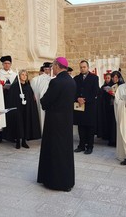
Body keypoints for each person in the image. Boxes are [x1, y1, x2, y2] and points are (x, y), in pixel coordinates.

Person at [37, 57, 76, 192]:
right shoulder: (71, 81)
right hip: (66, 121)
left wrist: (41, 100)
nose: (52, 68)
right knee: (65, 151)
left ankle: (54, 181)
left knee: (54, 150)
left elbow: (46, 101)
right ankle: (67, 181)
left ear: (58, 66)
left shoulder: (56, 82)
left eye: (53, 65)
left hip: (54, 122)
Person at [2, 70, 41, 149]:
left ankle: (24, 141)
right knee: (18, 124)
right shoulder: (15, 86)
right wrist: (18, 98)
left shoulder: (28, 87)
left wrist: (26, 99)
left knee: (25, 124)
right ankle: (17, 141)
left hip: (26, 109)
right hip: (18, 109)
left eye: (25, 75)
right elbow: (11, 98)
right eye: (22, 75)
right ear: (19, 76)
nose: (24, 76)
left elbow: (31, 98)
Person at [73, 60, 99, 155]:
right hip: (79, 106)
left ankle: (90, 146)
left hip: (90, 106)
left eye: (84, 67)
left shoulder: (94, 78)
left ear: (88, 67)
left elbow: (95, 92)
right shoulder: (76, 78)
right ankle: (81, 145)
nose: (82, 69)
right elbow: (73, 91)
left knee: (90, 127)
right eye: (81, 67)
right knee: (81, 126)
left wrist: (85, 99)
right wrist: (77, 98)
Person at [0, 55, 17, 143]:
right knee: (2, 114)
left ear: (11, 64)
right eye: (5, 63)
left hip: (12, 98)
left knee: (11, 115)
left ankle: (11, 135)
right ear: (2, 64)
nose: (7, 65)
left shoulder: (14, 74)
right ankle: (0, 136)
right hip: (2, 96)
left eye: (8, 63)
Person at [30, 62, 52, 133]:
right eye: (46, 69)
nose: (47, 71)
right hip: (42, 101)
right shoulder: (37, 79)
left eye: (48, 69)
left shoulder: (54, 78)